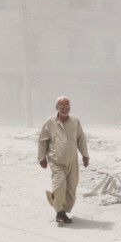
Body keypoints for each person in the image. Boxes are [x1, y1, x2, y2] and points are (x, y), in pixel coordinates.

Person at [38, 96, 90, 224]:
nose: (65, 109)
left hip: (72, 161)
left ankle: (63, 211)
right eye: (62, 106)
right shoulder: (50, 122)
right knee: (60, 185)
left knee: (71, 188)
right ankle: (59, 212)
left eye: (67, 106)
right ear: (57, 108)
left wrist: (85, 155)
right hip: (56, 160)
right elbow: (43, 141)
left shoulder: (75, 121)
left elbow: (81, 139)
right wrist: (41, 157)